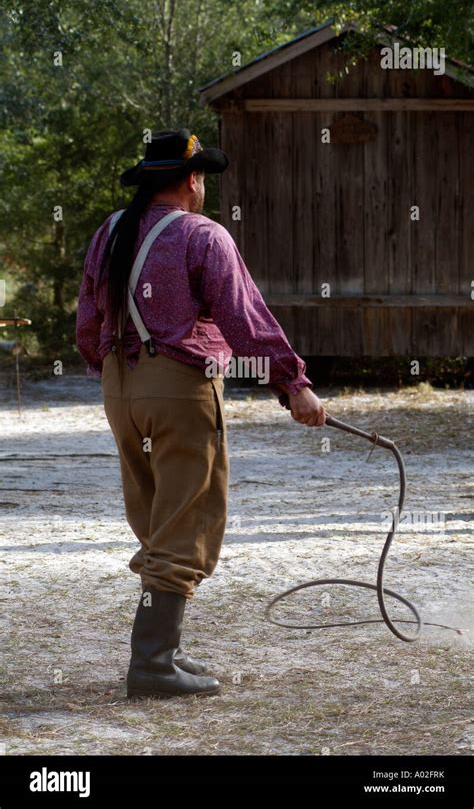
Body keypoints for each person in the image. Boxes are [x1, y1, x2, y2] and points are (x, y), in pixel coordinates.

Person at [76, 128, 327, 700]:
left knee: (155, 515)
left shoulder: (108, 232)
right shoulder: (203, 236)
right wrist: (294, 387)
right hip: (179, 387)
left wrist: (119, 371)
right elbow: (246, 319)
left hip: (120, 387)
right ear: (192, 180)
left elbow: (88, 324)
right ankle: (153, 663)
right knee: (185, 520)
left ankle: (164, 649)